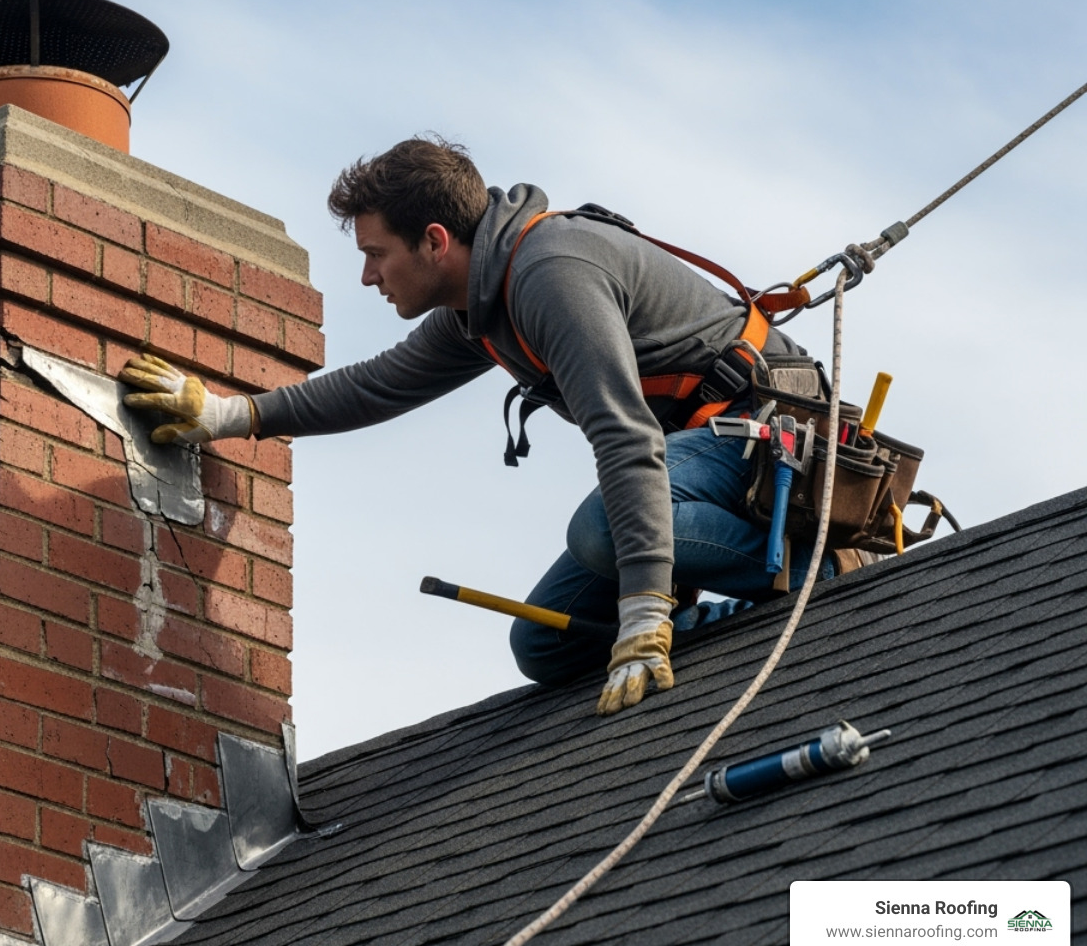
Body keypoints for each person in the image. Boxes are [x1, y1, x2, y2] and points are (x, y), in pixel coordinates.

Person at [119, 136, 831, 716]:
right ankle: (719, 619)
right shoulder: (479, 310)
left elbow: (623, 437)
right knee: (546, 645)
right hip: (695, 457)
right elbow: (379, 384)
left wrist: (645, 616)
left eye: (375, 254)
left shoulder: (551, 274)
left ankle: (816, 564)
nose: (369, 277)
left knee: (605, 534)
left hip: (768, 437)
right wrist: (227, 414)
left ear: (434, 240)